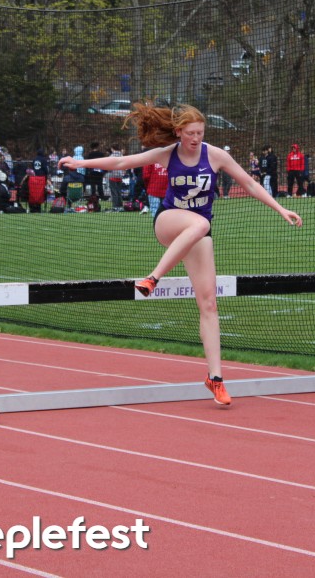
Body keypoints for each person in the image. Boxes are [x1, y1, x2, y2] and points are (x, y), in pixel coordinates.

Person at [59, 102, 302, 406]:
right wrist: (80, 164)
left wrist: (281, 209)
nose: (196, 138)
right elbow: (122, 162)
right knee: (201, 223)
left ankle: (215, 379)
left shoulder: (216, 155)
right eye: (190, 133)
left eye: (200, 133)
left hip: (197, 233)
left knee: (209, 303)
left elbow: (250, 184)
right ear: (178, 132)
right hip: (169, 222)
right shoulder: (168, 153)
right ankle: (153, 277)